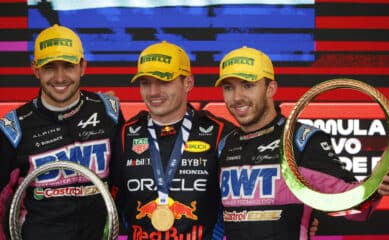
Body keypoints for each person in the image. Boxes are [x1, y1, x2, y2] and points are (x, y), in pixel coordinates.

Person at [214, 46, 389, 239]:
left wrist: (377, 185)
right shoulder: (224, 143)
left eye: (248, 85)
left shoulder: (300, 140)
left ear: (270, 89)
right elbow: (211, 215)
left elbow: (354, 208)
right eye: (228, 88)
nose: (237, 97)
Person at [0, 24, 124, 240]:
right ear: (35, 69)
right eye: (49, 67)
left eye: (68, 66)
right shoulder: (13, 127)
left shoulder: (108, 111)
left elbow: (125, 181)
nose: (59, 77)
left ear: (82, 67)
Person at [110, 41, 235, 240]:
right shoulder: (125, 134)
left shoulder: (219, 133)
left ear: (188, 83)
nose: (153, 92)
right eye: (145, 83)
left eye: (163, 82)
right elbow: (111, 208)